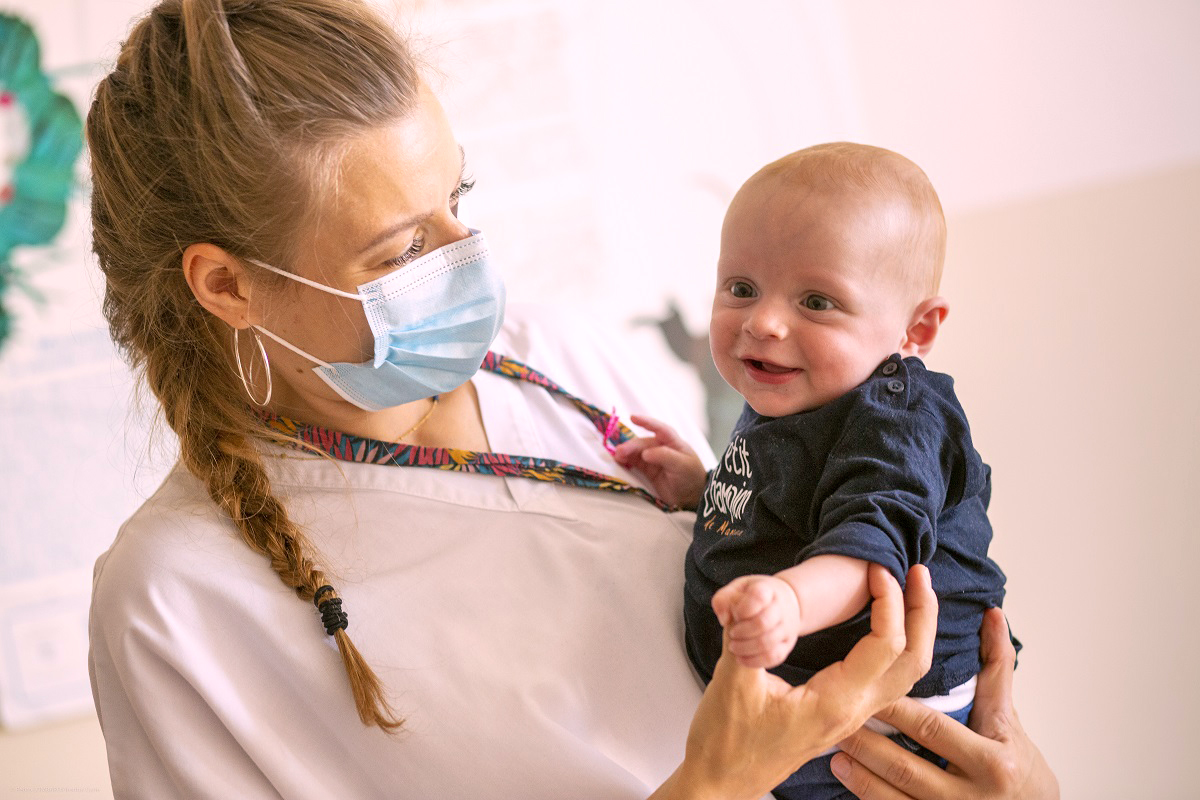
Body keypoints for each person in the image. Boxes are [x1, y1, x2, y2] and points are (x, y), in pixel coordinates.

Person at [84, 1, 1057, 798]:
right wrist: (715, 783)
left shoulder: (561, 358)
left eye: (456, 200)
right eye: (402, 250)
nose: (465, 257)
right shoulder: (173, 600)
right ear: (226, 285)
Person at [614, 143, 1009, 799]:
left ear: (917, 329)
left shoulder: (896, 418)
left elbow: (869, 554)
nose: (763, 322)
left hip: (892, 717)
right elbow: (785, 502)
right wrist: (700, 487)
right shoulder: (804, 388)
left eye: (818, 301)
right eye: (741, 288)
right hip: (817, 697)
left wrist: (792, 600)